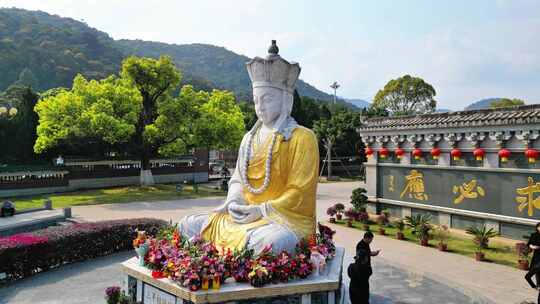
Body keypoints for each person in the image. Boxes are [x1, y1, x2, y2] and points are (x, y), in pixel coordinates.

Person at [178, 41, 319, 255]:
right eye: (256, 100)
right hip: (243, 215)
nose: (260, 107)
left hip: (281, 219)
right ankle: (226, 255)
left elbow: (300, 193)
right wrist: (234, 200)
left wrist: (261, 210)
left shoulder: (302, 138)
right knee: (187, 224)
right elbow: (238, 179)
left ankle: (230, 254)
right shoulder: (249, 138)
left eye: (267, 99)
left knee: (273, 243)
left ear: (285, 99)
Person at [348, 231, 381, 304]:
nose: (371, 241)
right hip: (362, 292)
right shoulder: (367, 270)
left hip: (353, 291)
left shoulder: (351, 266)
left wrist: (373, 253)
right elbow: (369, 273)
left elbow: (349, 274)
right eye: (370, 240)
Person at [525, 222, 540, 303]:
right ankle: (537, 286)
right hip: (537, 258)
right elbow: (529, 244)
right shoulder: (534, 235)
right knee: (537, 275)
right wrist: (532, 246)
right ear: (537, 227)